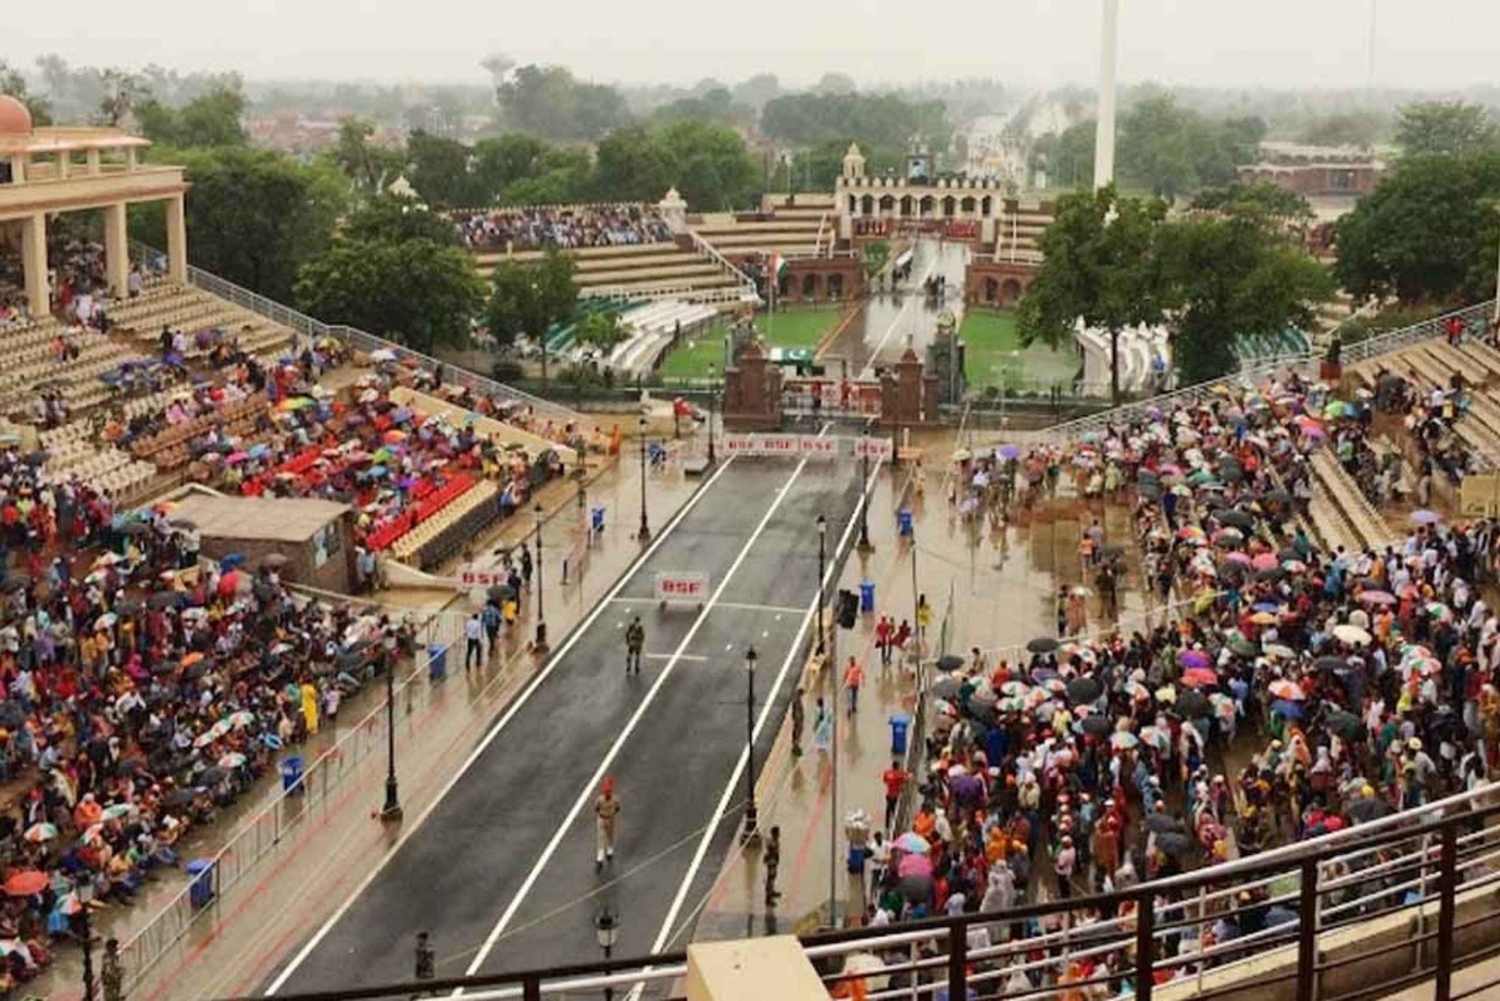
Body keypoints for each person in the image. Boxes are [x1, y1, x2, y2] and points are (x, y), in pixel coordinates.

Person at [595, 777, 621, 869]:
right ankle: (600, 858)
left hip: (610, 819)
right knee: (601, 838)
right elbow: (596, 808)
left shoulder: (615, 799)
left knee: (610, 835)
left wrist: (611, 814)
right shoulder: (600, 799)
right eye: (606, 791)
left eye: (609, 791)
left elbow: (618, 808)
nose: (607, 793)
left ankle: (609, 850)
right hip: (602, 819)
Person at [882, 760, 909, 831]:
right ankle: (896, 825)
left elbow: (884, 780)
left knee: (888, 810)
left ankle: (887, 825)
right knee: (894, 811)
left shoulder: (887, 772)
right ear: (897, 767)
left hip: (888, 795)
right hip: (895, 796)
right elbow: (905, 779)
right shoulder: (898, 775)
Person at [763, 825, 781, 906]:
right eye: (778, 833)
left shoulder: (774, 841)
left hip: (773, 862)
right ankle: (768, 899)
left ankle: (772, 892)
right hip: (771, 862)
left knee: (773, 877)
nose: (779, 834)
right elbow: (772, 852)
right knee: (770, 880)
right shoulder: (772, 843)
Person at [101, 937, 124, 1001]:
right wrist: (119, 974)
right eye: (115, 947)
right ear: (111, 948)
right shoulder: (107, 958)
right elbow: (108, 972)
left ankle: (116, 997)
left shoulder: (114, 956)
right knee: (110, 997)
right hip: (110, 983)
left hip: (114, 982)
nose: (117, 948)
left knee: (115, 994)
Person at [790, 687, 805, 757]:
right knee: (798, 731)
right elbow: (797, 711)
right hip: (798, 718)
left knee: (797, 730)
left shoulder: (796, 700)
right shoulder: (797, 702)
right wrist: (799, 718)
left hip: (797, 718)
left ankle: (795, 744)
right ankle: (796, 746)